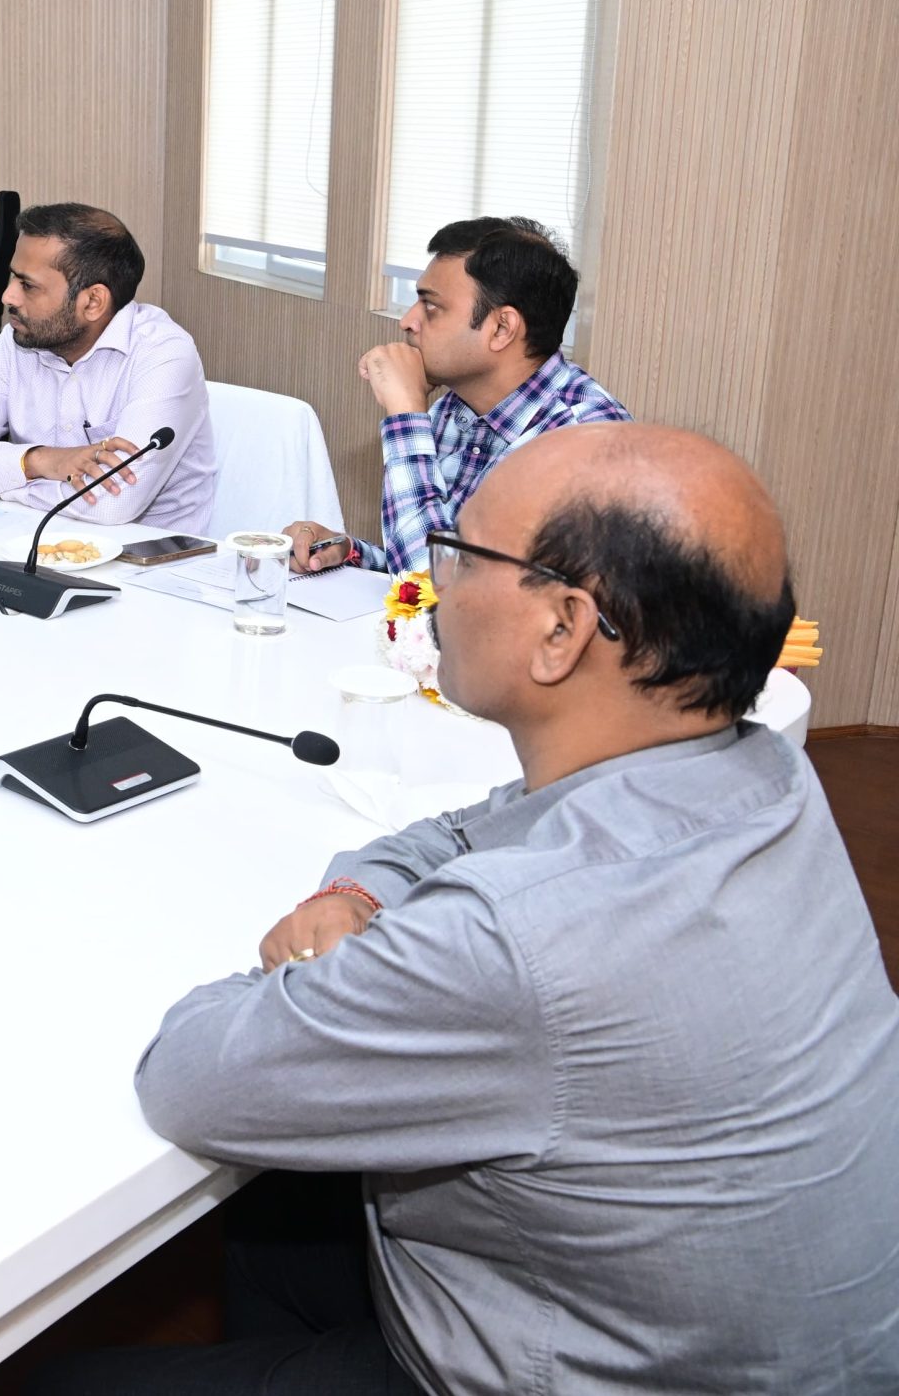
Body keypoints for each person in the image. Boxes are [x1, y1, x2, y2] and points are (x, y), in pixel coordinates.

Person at [45, 424, 899, 1394]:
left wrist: (313, 975)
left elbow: (188, 1077)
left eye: (459, 551)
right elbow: (468, 830)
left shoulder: (517, 936)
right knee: (274, 1215)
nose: (433, 579)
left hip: (609, 1368)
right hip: (734, 1328)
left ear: (562, 629)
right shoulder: (766, 772)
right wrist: (357, 892)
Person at [289, 215, 627, 575]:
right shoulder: (457, 407)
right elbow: (446, 561)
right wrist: (351, 553)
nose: (407, 321)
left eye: (431, 306)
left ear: (501, 329)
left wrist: (406, 415)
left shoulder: (582, 445)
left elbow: (440, 589)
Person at [0, 202, 218, 530]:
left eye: (27, 285)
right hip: (32, 537)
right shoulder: (17, 341)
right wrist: (37, 461)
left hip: (147, 555)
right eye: (13, 277)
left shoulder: (163, 354)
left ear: (93, 302)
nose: (8, 296)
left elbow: (110, 504)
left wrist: (1, 483)